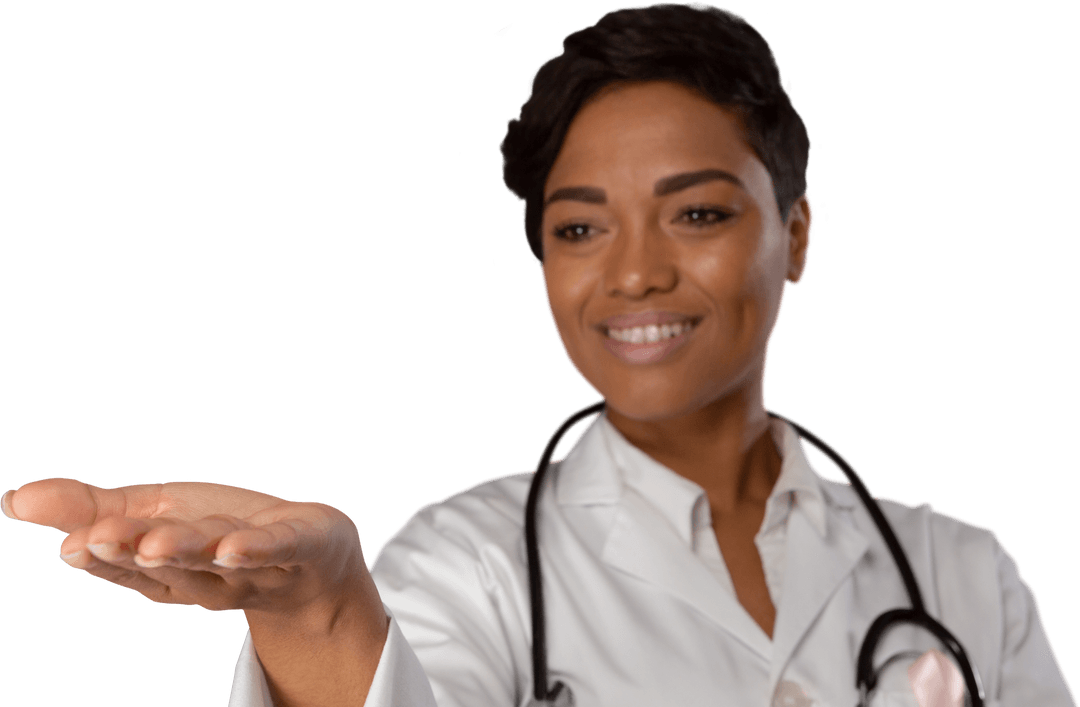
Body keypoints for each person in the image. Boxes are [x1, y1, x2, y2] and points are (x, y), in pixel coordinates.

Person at [1, 4, 1075, 706]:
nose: (634, 273)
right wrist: (317, 613)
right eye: (578, 228)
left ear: (795, 235)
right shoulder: (467, 563)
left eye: (696, 214)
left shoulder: (960, 573)